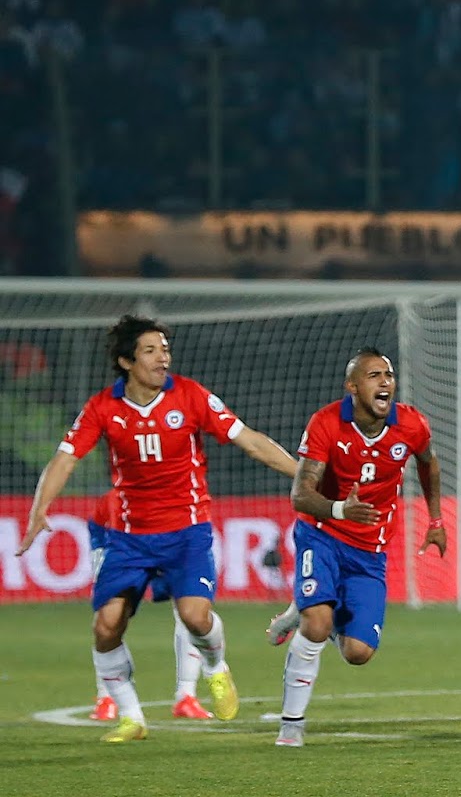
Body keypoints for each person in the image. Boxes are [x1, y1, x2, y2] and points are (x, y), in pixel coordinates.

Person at [15, 315, 298, 743]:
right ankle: (131, 717)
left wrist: (303, 475)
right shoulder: (103, 408)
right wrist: (40, 509)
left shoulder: (190, 395)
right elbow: (65, 459)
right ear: (127, 361)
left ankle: (216, 668)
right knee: (106, 626)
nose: (162, 356)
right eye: (150, 350)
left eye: (164, 348)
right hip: (129, 538)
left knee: (195, 617)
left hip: (187, 531)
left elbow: (251, 440)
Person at [267, 347, 445, 747]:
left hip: (370, 550)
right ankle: (291, 725)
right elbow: (300, 494)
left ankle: (311, 605)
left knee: (359, 652)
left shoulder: (412, 424)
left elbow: (429, 464)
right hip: (322, 533)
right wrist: (339, 510)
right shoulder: (326, 423)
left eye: (389, 374)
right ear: (352, 386)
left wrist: (435, 520)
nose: (385, 382)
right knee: (318, 624)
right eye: (374, 375)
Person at [87, 490, 211, 722]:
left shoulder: (177, 498)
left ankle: (186, 695)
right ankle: (106, 697)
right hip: (115, 539)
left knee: (189, 609)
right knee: (110, 617)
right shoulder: (114, 501)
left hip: (170, 535)